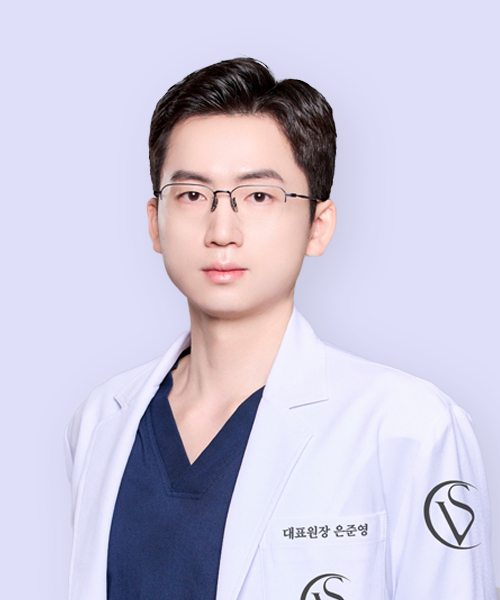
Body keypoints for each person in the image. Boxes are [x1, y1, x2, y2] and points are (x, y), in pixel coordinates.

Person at [65, 58, 497, 600]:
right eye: (193, 195)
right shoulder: (101, 421)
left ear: (318, 225)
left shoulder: (408, 426)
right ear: (156, 221)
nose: (222, 230)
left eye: (259, 196)